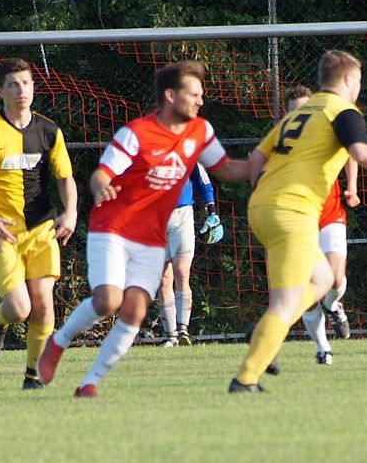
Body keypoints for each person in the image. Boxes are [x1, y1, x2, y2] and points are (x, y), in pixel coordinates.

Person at [36, 61, 250, 397]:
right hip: (113, 226)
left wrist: (264, 162)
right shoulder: (136, 133)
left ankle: (89, 382)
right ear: (171, 96)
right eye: (194, 94)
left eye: (201, 94)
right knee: (108, 300)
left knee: (135, 310)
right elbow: (101, 174)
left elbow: (227, 169)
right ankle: (58, 342)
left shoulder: (200, 131)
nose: (200, 100)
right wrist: (102, 186)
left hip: (150, 234)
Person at [230, 50, 367, 393]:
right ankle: (245, 379)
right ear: (349, 79)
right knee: (286, 301)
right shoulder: (343, 111)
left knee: (323, 278)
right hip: (292, 210)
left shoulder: (299, 113)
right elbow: (361, 153)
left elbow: (257, 160)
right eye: (359, 81)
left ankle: (266, 329)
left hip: (263, 205)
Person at [0, 58, 77, 390]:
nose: (21, 90)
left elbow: (65, 177)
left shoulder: (49, 130)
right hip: (0, 233)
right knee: (20, 308)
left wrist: (71, 212)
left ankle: (33, 377)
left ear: (34, 87)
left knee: (44, 304)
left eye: (26, 83)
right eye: (13, 84)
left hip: (40, 230)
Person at [285, 84, 359, 365]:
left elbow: (352, 151)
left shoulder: (328, 132)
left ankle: (333, 305)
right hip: (299, 221)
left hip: (330, 215)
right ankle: (322, 348)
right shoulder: (282, 142)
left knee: (336, 277)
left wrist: (352, 187)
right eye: (296, 111)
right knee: (308, 288)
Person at [156, 163, 222, 348]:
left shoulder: (186, 150)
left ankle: (182, 330)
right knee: (163, 278)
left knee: (182, 272)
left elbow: (202, 180)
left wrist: (212, 212)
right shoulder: (145, 150)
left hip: (182, 216)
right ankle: (170, 336)